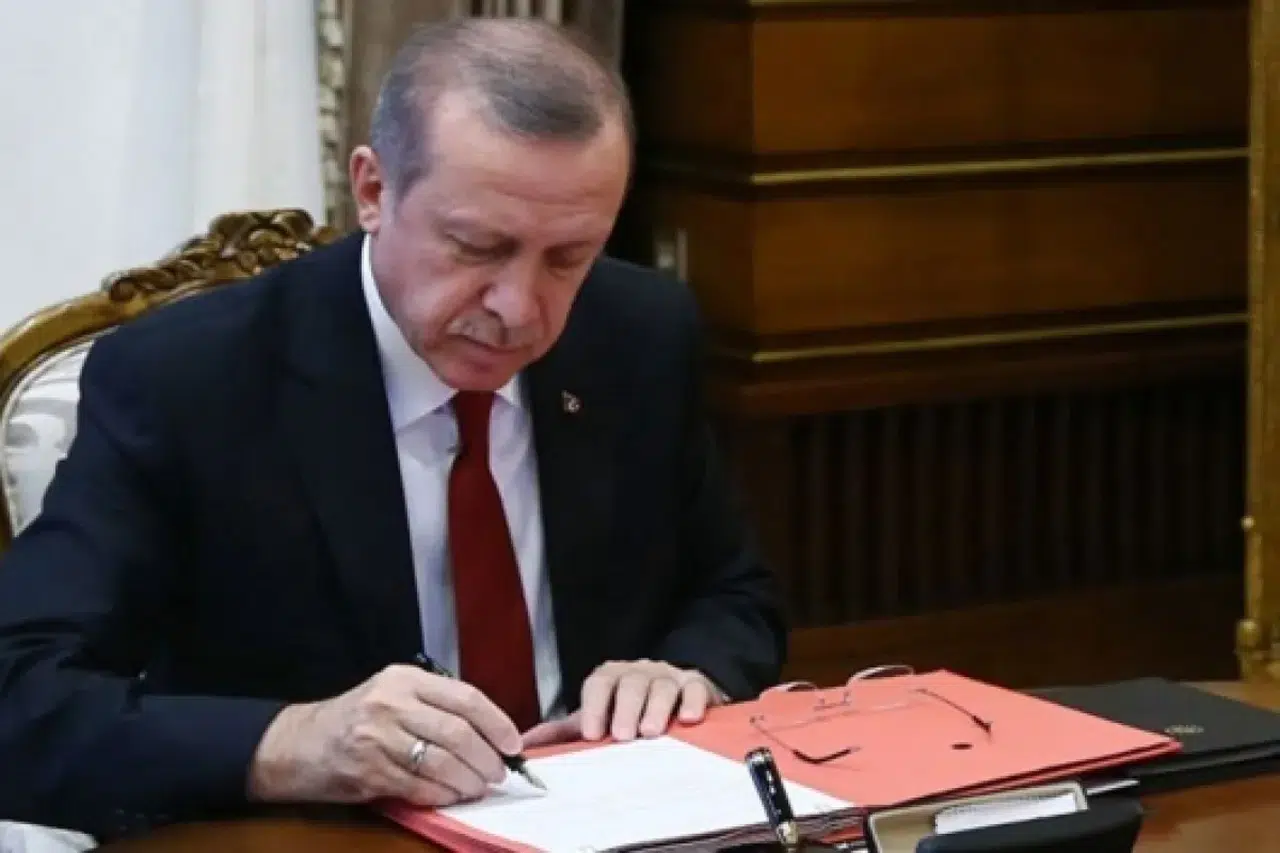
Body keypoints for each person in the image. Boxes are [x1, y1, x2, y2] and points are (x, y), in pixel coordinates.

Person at [0, 17, 785, 841]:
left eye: (568, 258)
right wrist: (295, 741)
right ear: (373, 191)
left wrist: (682, 672)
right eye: (477, 246)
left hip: (610, 818)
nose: (520, 310)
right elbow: (18, 695)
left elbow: (735, 593)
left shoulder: (639, 333)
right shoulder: (190, 380)